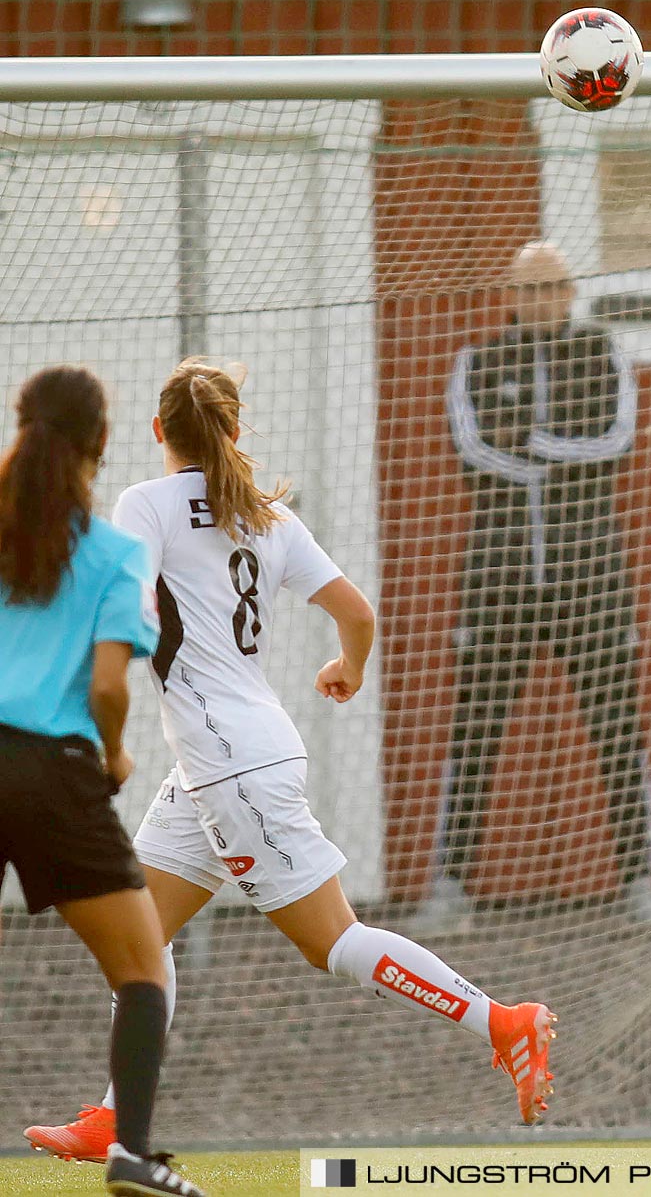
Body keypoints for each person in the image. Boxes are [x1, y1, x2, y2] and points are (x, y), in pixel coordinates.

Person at [25, 360, 557, 1165]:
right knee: (137, 937)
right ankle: (113, 1117)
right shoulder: (266, 514)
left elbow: (124, 606)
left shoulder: (146, 503)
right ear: (235, 431)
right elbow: (358, 613)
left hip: (231, 766)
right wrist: (351, 667)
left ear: (159, 431)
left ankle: (504, 1023)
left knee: (332, 942)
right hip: (227, 759)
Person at [0, 366, 205, 1196]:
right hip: (55, 774)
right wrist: (115, 754)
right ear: (102, 443)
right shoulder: (117, 552)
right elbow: (110, 687)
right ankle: (131, 1158)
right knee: (144, 969)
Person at [432, 239, 651, 926]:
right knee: (474, 728)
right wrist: (553, 455)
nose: (542, 300)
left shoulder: (601, 352)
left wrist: (534, 445)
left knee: (617, 729)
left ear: (572, 292)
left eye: (554, 287)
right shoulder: (477, 360)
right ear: (508, 296)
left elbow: (615, 442)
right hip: (498, 574)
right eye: (529, 289)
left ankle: (639, 884)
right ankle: (449, 886)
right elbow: (471, 449)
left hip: (589, 573)